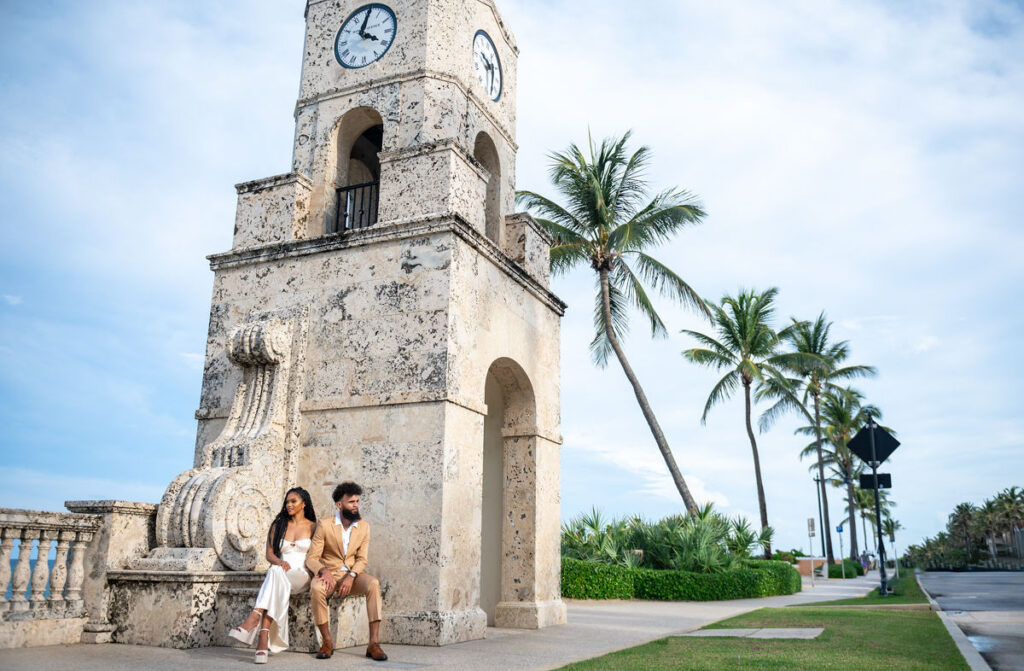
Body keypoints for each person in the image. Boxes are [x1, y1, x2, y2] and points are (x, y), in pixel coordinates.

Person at [228, 487, 317, 664]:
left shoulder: (313, 526)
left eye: (293, 501)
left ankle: (253, 619)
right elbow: (269, 554)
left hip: (302, 574)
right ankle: (262, 639)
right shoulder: (279, 525)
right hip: (282, 571)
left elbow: (317, 555)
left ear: (304, 504)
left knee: (274, 574)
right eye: (287, 501)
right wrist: (279, 562)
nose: (289, 504)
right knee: (275, 572)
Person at [306, 481, 387, 662]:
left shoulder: (364, 526)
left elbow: (362, 559)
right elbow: (311, 557)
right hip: (329, 575)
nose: (356, 505)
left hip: (353, 576)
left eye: (357, 501)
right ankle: (327, 642)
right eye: (351, 502)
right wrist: (323, 570)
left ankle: (373, 644)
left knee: (373, 584)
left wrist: (351, 576)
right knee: (317, 588)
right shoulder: (325, 525)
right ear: (339, 504)